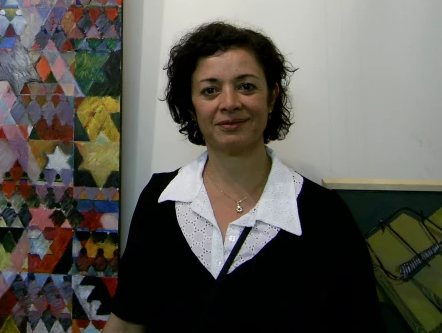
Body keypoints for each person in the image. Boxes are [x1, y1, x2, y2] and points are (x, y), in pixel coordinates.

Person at [104, 21, 385, 332]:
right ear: (192, 103)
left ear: (272, 96)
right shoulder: (160, 200)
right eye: (210, 90)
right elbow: (128, 323)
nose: (229, 103)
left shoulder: (325, 216)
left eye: (246, 86)